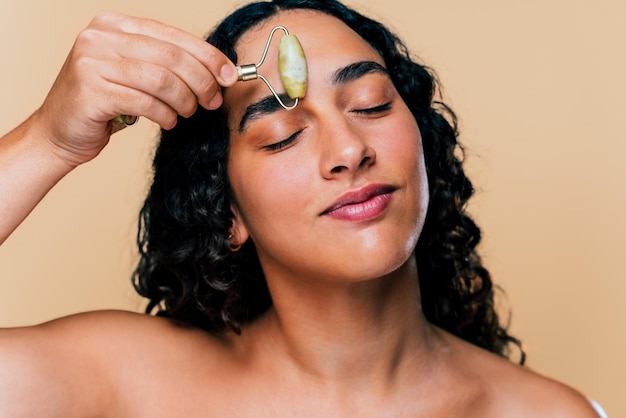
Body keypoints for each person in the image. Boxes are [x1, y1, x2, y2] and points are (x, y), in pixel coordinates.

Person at [0, 0, 604, 416]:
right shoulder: (128, 386)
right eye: (283, 135)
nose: (348, 150)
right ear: (227, 210)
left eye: (369, 104)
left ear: (423, 142)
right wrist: (47, 141)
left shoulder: (551, 413)